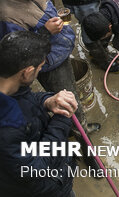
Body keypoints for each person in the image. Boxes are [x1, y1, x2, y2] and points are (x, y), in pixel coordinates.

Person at [0, 0, 99, 134]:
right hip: (48, 64)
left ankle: (75, 128)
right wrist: (46, 31)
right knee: (68, 101)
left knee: (70, 94)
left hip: (58, 52)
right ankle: (82, 137)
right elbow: (22, 54)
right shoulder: (7, 14)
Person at [0, 31, 78, 197]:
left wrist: (47, 101)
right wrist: (62, 119)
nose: (40, 69)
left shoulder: (7, 83)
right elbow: (33, 168)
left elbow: (25, 99)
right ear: (27, 72)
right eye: (40, 67)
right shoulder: (6, 127)